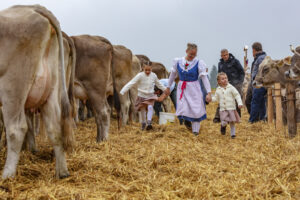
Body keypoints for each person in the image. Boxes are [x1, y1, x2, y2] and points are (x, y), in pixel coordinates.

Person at [165, 43, 212, 136]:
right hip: (182, 87)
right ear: (186, 51)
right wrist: (168, 87)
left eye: (194, 55)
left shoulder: (198, 63)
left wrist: (209, 92)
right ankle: (186, 121)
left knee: (196, 108)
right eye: (191, 54)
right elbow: (172, 75)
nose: (192, 56)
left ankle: (195, 132)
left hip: (194, 88)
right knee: (183, 107)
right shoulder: (178, 62)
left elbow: (204, 78)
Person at [120, 61, 167, 130]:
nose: (148, 71)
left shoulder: (153, 75)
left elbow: (159, 84)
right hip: (141, 95)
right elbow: (131, 83)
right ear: (142, 68)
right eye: (146, 70)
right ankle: (143, 123)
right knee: (143, 110)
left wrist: (166, 90)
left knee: (150, 107)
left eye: (149, 70)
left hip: (150, 95)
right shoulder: (140, 75)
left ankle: (149, 123)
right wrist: (123, 90)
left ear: (151, 68)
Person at [213, 49, 245, 123]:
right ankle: (218, 117)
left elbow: (241, 72)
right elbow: (219, 74)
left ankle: (237, 117)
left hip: (236, 83)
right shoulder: (220, 64)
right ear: (221, 56)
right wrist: (219, 82)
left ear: (228, 54)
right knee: (222, 98)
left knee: (236, 99)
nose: (225, 56)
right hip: (224, 83)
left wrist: (240, 82)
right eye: (223, 55)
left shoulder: (235, 61)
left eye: (226, 55)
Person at [212, 72, 243, 138]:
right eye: (223, 79)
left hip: (231, 108)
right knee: (224, 122)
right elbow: (215, 98)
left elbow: (237, 95)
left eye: (226, 78)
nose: (225, 80)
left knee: (232, 122)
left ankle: (233, 134)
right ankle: (223, 126)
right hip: (223, 109)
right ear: (219, 81)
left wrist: (240, 103)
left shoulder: (231, 87)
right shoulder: (218, 89)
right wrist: (210, 99)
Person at [248, 42, 267, 123]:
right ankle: (262, 118)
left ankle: (252, 120)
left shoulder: (260, 58)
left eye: (252, 51)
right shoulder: (262, 57)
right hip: (260, 83)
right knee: (261, 102)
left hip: (259, 83)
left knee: (255, 101)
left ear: (254, 50)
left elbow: (262, 71)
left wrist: (256, 80)